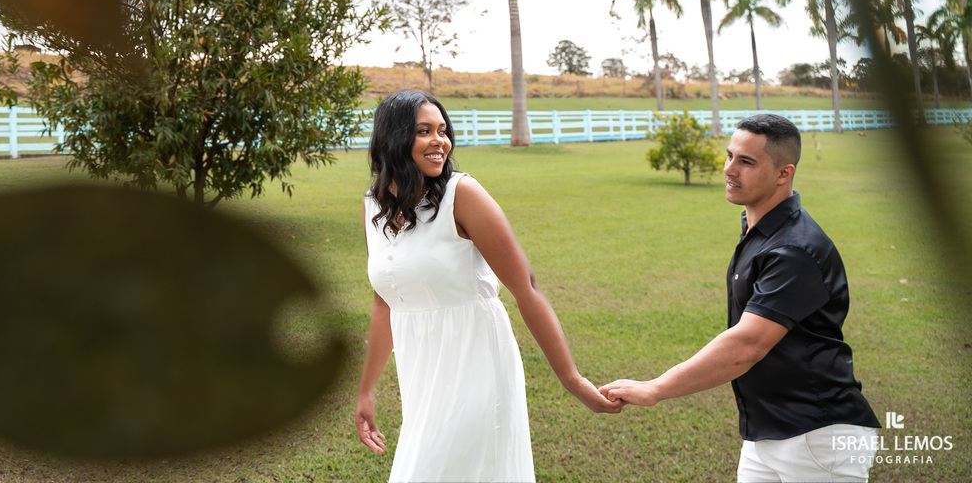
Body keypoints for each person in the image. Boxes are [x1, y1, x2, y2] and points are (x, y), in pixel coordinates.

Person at [355, 89, 618, 483]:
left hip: (476, 360)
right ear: (392, 140)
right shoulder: (374, 207)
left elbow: (526, 286)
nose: (439, 141)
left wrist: (572, 380)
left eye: (442, 130)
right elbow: (385, 303)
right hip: (422, 372)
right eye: (423, 131)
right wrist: (366, 390)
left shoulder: (462, 195)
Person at [601, 113, 880, 483]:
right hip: (767, 432)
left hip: (817, 436)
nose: (729, 169)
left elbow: (747, 344)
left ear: (784, 173)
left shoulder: (795, 248)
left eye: (746, 161)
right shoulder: (761, 230)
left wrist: (657, 388)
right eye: (730, 156)